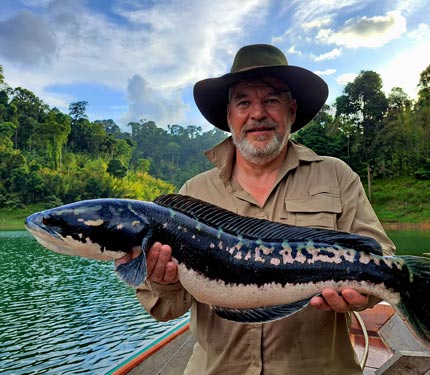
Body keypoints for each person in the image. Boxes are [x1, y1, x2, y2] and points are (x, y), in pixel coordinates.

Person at [119, 44, 395, 374]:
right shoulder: (193, 193)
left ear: (291, 111)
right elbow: (167, 310)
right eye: (244, 101)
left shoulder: (335, 175)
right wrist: (162, 281)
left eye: (272, 100)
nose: (258, 113)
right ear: (229, 115)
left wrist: (362, 296)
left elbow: (380, 257)